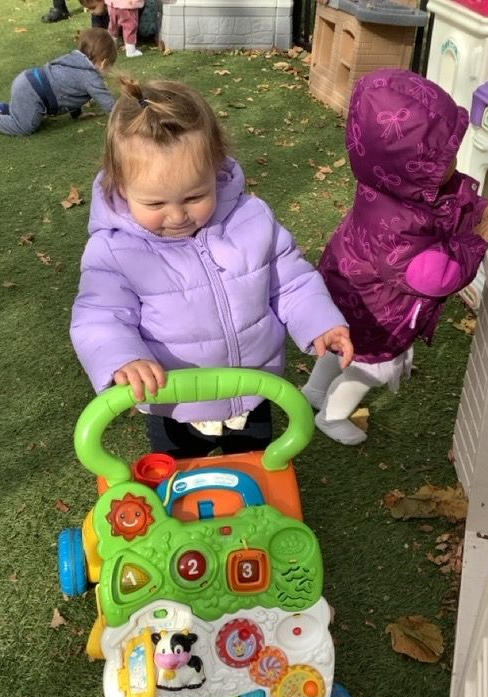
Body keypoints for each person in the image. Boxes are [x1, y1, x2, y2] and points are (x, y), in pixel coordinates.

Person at [70, 77, 353, 458]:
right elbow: (99, 317)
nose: (177, 215)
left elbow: (291, 281)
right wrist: (124, 358)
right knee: (180, 489)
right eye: (155, 204)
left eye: (195, 196)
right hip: (175, 402)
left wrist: (320, 320)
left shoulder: (250, 220)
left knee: (254, 476)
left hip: (253, 389)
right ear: (121, 186)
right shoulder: (114, 250)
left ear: (216, 168)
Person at [301, 67, 488, 446]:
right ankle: (332, 414)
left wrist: (483, 208)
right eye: (446, 160)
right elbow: (431, 276)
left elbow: (451, 205)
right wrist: (474, 242)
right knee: (373, 367)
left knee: (344, 346)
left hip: (350, 287)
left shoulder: (396, 186)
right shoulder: (395, 223)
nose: (455, 165)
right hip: (377, 308)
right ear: (416, 169)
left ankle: (314, 391)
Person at [0, 29, 117, 136]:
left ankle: (4, 109)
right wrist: (121, 119)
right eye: (109, 67)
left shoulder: (74, 58)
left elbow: (69, 89)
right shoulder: (92, 77)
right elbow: (109, 105)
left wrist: (77, 114)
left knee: (22, 111)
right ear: (103, 63)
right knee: (24, 127)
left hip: (27, 79)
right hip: (33, 93)